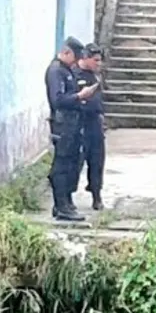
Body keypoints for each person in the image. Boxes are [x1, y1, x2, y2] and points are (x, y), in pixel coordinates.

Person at [46, 37, 97, 221]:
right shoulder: (56, 71)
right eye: (74, 58)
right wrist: (79, 96)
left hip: (72, 124)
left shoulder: (66, 70)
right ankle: (61, 206)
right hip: (62, 125)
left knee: (71, 165)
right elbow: (57, 100)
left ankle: (65, 203)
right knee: (61, 165)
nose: (76, 63)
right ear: (66, 52)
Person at [72, 44, 106, 211]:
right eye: (96, 60)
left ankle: (96, 195)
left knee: (97, 160)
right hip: (79, 123)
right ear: (85, 58)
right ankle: (66, 198)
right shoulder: (74, 74)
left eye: (100, 60)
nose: (99, 64)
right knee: (76, 162)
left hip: (95, 123)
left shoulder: (96, 76)